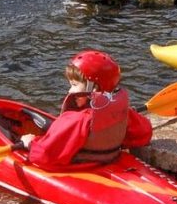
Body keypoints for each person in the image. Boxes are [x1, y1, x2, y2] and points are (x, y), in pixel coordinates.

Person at [19, 50, 152, 170]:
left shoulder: (76, 120)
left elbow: (44, 155)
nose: (70, 90)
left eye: (74, 85)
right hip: (109, 160)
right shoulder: (120, 112)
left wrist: (30, 143)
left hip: (80, 166)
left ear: (93, 89)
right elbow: (144, 134)